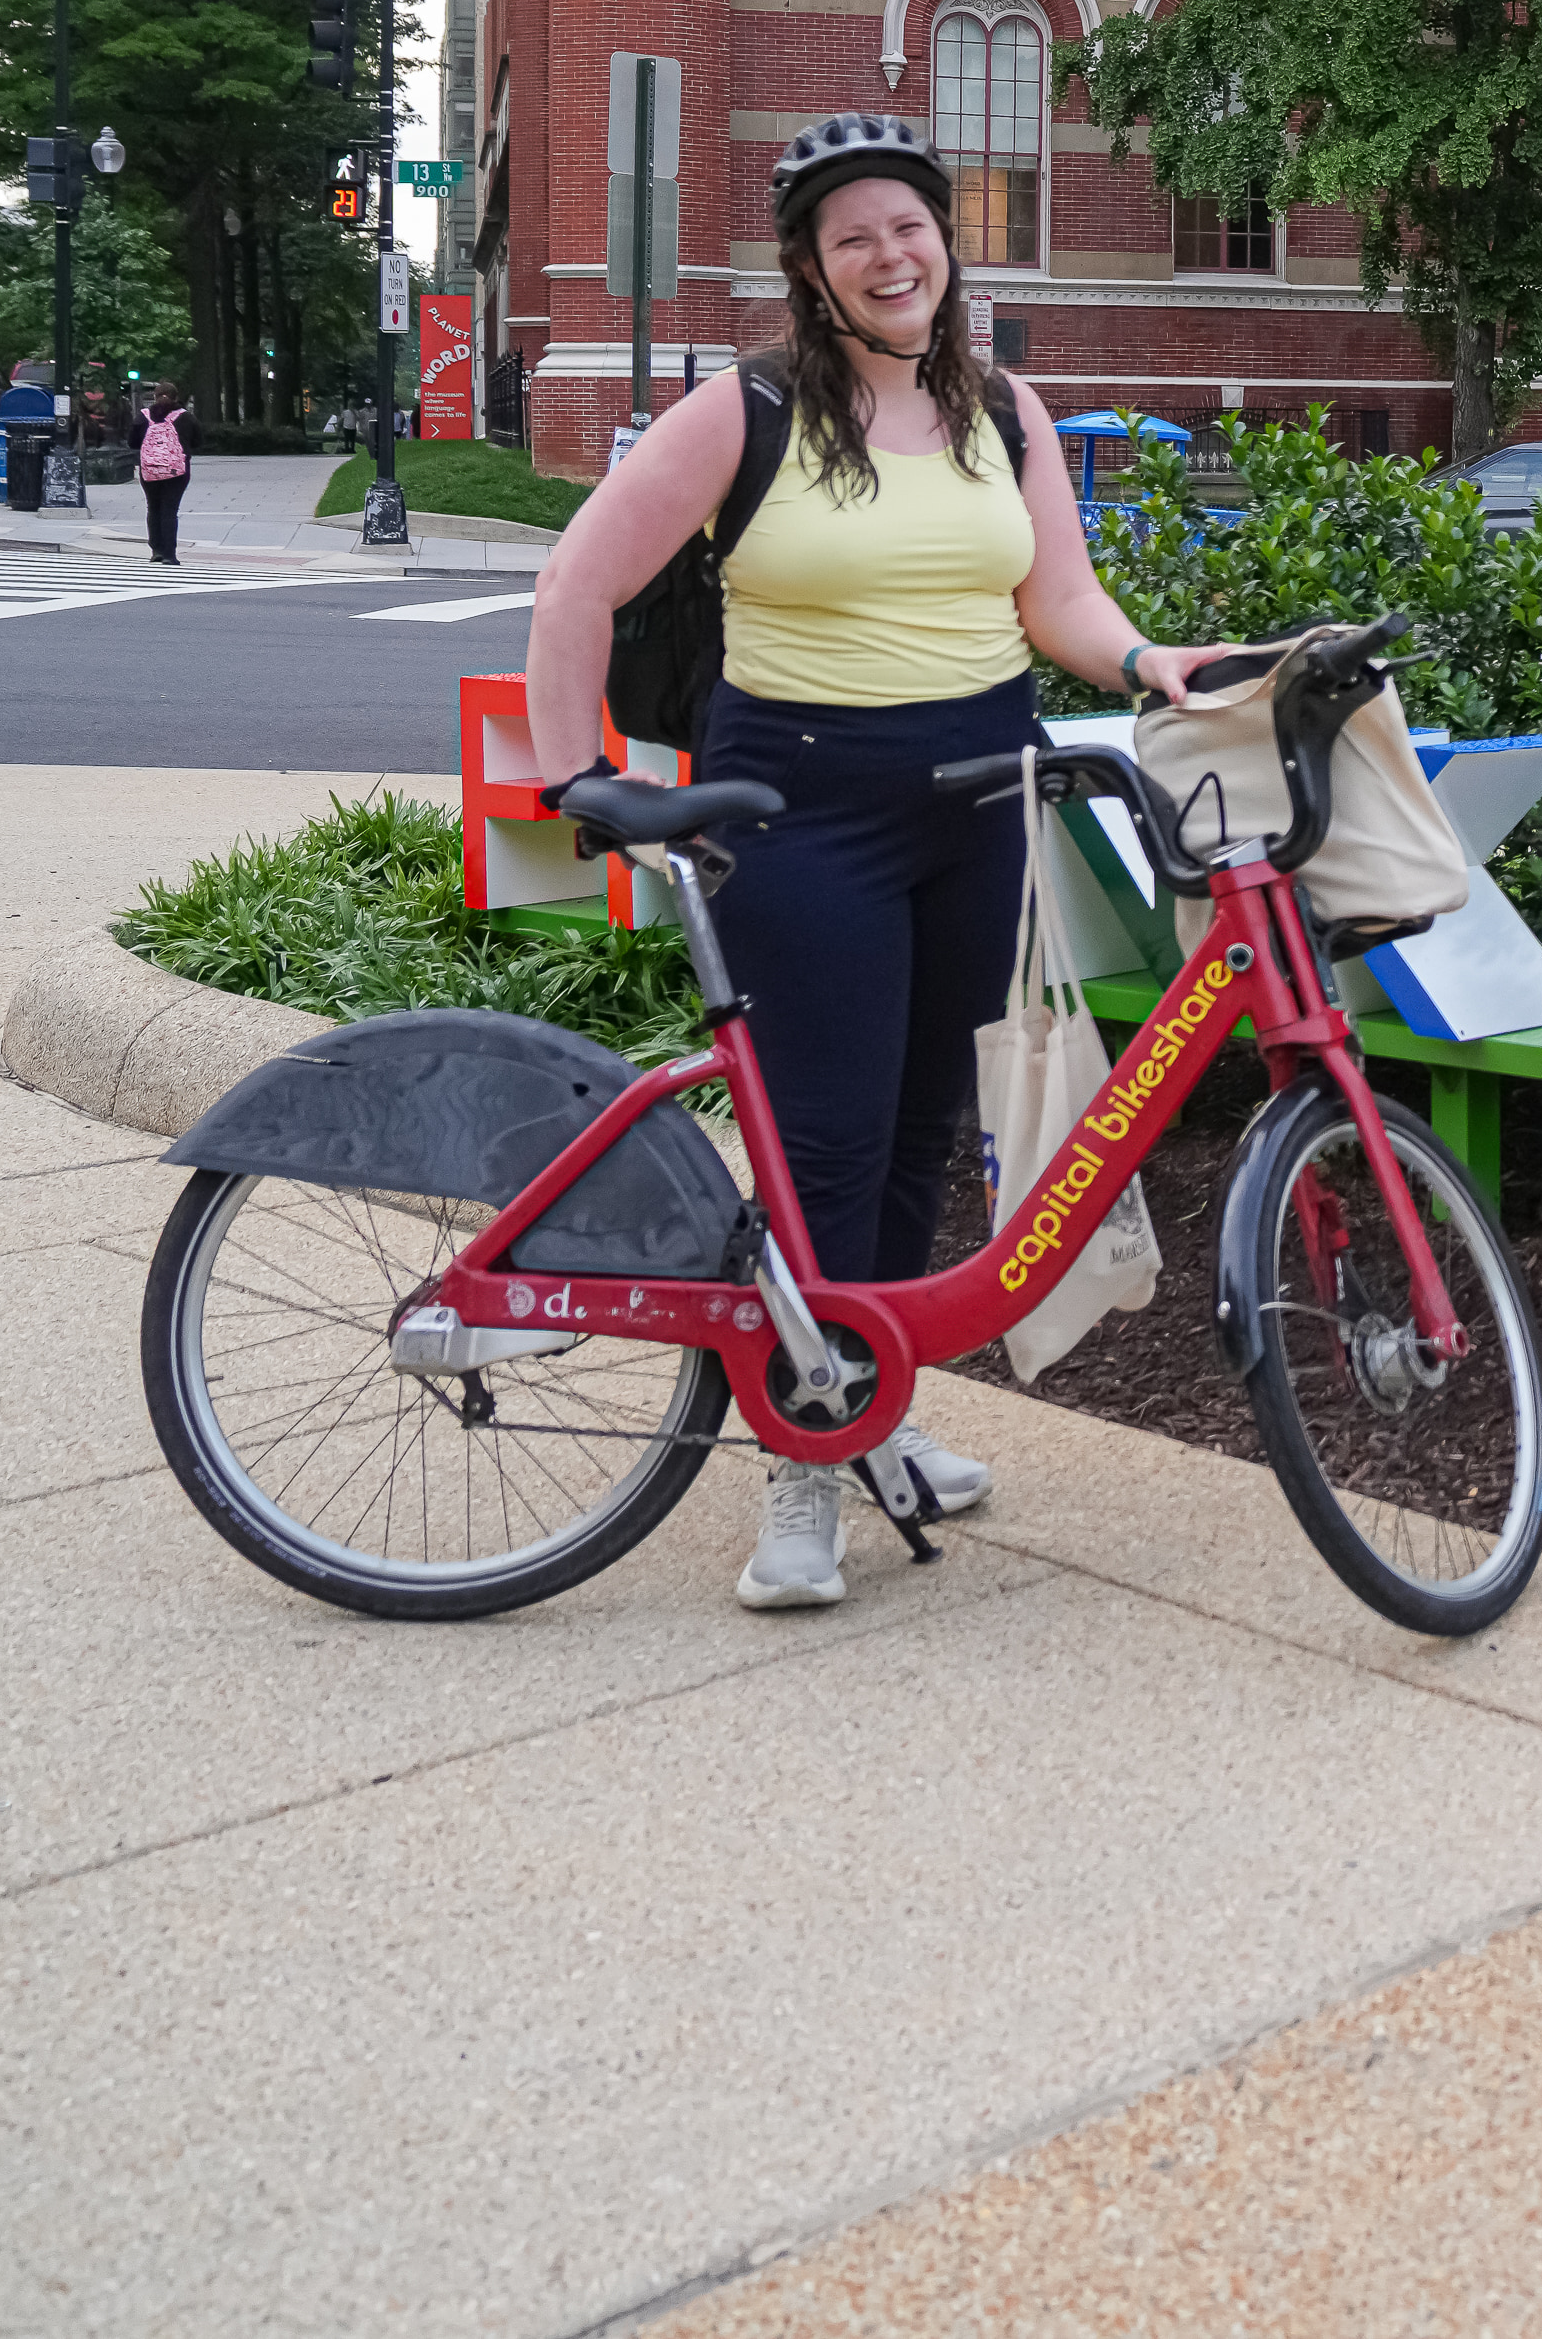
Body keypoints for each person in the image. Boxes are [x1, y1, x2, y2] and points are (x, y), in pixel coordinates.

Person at [519, 113, 1223, 1612]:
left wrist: (1149, 662)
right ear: (812, 267)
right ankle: (802, 1458)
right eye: (854, 238)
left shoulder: (1005, 409)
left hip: (978, 799)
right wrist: (573, 772)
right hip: (800, 810)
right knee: (825, 1142)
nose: (890, 256)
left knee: (918, 1135)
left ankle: (872, 1402)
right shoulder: (750, 409)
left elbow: (1059, 601)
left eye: (910, 226)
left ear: (944, 241)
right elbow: (577, 577)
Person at [132, 382, 194, 564]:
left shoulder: (143, 417)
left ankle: (156, 549)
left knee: (153, 507)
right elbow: (198, 440)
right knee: (170, 509)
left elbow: (132, 442)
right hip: (177, 471)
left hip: (150, 470)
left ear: (154, 397)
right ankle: (169, 554)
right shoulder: (185, 417)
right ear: (176, 397)